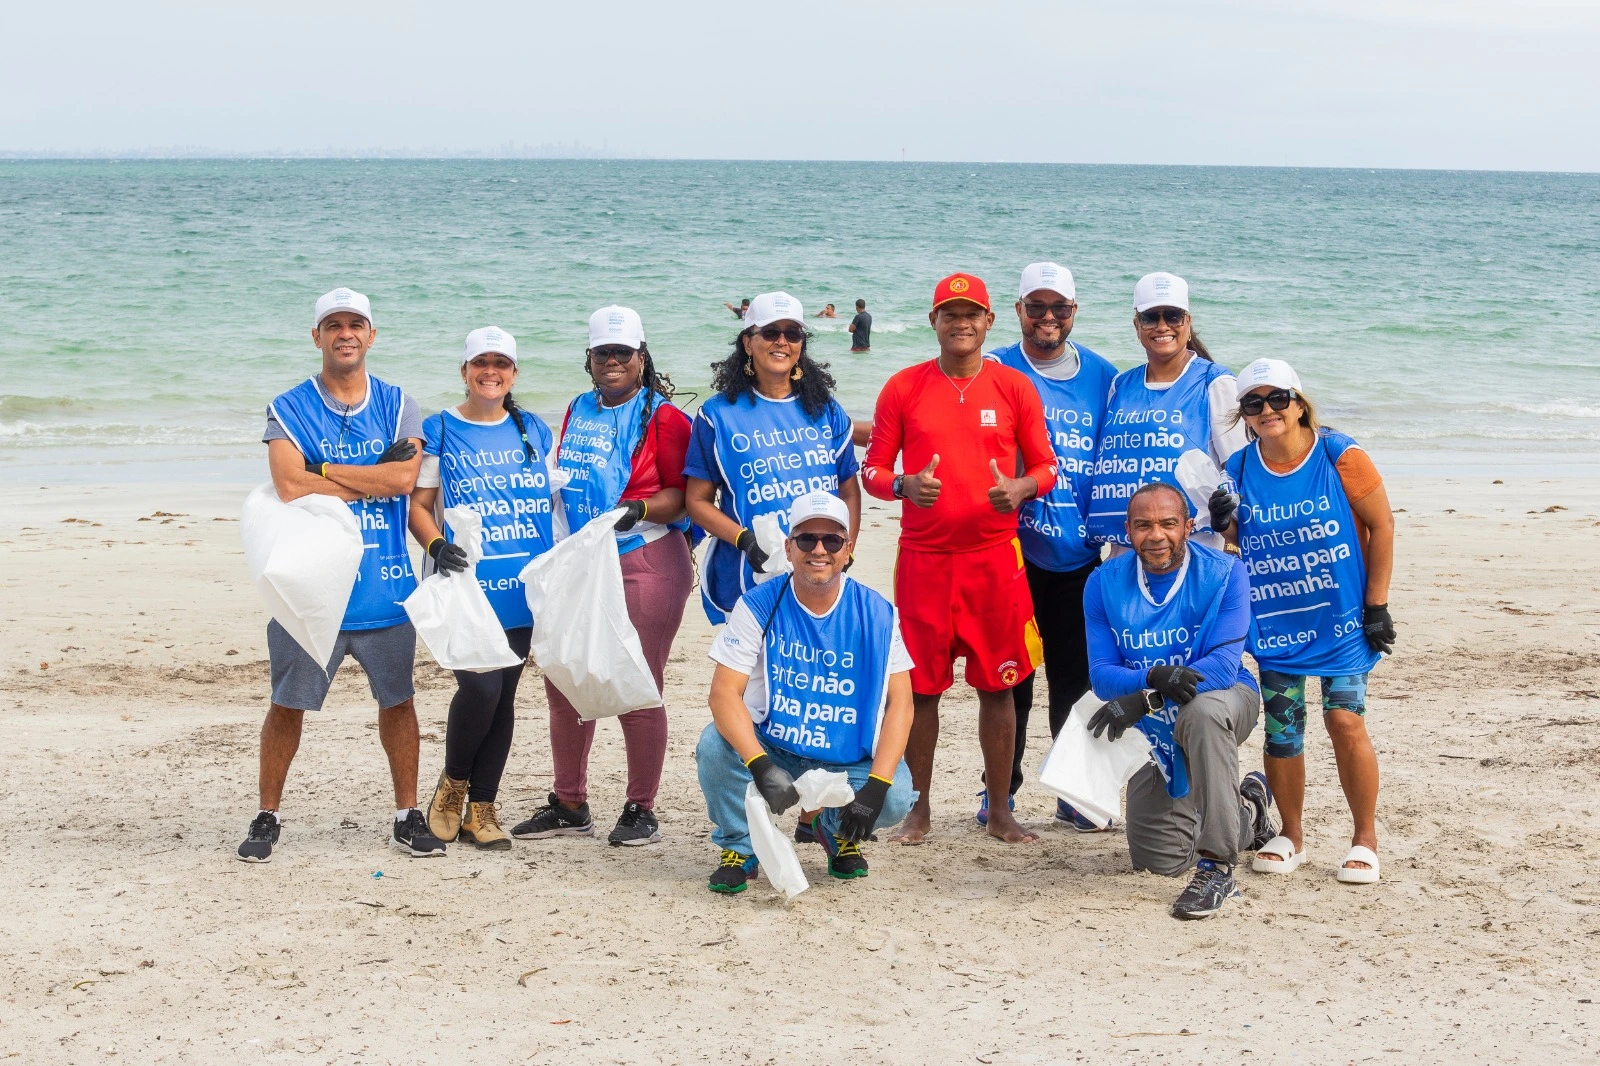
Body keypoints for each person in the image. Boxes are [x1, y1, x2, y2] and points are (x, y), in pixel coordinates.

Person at [238, 287, 443, 862]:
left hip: (386, 585)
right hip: (308, 591)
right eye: (334, 325)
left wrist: (322, 466)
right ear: (317, 336)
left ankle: (407, 815)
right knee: (287, 705)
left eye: (356, 324)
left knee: (398, 703)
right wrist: (369, 472)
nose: (346, 333)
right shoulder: (289, 405)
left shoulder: (400, 403)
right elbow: (287, 485)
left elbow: (403, 482)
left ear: (371, 335)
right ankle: (266, 814)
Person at [861, 272, 1058, 845]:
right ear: (935, 322)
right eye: (951, 313)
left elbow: (1047, 466)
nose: (962, 322)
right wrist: (903, 486)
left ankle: (999, 809)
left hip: (995, 559)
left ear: (990, 321)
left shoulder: (1015, 387)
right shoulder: (903, 386)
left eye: (972, 313)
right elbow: (872, 471)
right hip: (923, 560)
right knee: (921, 689)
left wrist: (1021, 489)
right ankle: (919, 811)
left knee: (999, 687)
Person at [510, 305, 694, 847]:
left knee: (636, 682)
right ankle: (569, 803)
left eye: (623, 353)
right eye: (602, 353)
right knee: (565, 677)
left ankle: (641, 809)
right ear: (588, 359)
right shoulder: (577, 409)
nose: (612, 361)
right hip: (580, 559)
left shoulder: (665, 417)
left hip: (646, 557)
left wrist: (637, 510)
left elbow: (686, 496)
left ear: (642, 358)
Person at [1216, 359, 1396, 884]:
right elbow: (1230, 545)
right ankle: (1290, 834)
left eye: (1278, 399)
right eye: (1254, 402)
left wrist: (1377, 604)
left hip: (1341, 618)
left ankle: (1365, 837)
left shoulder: (1340, 454)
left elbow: (1381, 525)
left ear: (1298, 402)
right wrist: (1222, 521)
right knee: (1282, 730)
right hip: (1277, 621)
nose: (1268, 410)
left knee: (1345, 720)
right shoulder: (1241, 470)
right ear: (1244, 414)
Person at [695, 491, 917, 892]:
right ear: (788, 547)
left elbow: (901, 701)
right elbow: (723, 694)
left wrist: (877, 787)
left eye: (832, 541)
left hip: (845, 754)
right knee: (714, 745)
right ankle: (739, 846)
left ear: (848, 550)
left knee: (899, 794)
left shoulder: (879, 612)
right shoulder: (758, 605)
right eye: (806, 539)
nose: (819, 550)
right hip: (775, 744)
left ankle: (832, 829)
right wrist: (760, 764)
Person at [1081, 482, 1277, 919]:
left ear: (1189, 526)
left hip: (1225, 699)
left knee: (1201, 715)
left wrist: (1145, 696)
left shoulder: (1226, 572)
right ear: (1127, 531)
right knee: (1159, 861)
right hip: (1153, 722)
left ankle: (1218, 867)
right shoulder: (1102, 583)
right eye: (1144, 525)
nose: (1157, 536)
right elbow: (1102, 675)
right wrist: (1151, 676)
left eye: (1169, 523)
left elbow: (1224, 668)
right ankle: (1249, 807)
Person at [410, 326, 563, 850]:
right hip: (468, 587)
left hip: (522, 587)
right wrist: (435, 546)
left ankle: (484, 808)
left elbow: (553, 503)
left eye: (501, 364)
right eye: (481, 363)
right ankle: (452, 787)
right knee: (480, 688)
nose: (490, 372)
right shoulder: (441, 428)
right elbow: (417, 504)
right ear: (464, 371)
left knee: (505, 699)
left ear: (514, 373)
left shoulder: (532, 429)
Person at [981, 262, 1117, 832]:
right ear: (1017, 311)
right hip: (1011, 552)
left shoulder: (1105, 376)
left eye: (1058, 307)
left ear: (1074, 312)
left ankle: (1074, 793)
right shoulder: (993, 369)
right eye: (1035, 306)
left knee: (1076, 680)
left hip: (1081, 556)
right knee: (1011, 678)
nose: (1047, 317)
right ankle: (1000, 794)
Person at [685, 290, 862, 626]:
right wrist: (744, 539)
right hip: (745, 575)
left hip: (818, 566)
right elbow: (697, 501)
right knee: (748, 678)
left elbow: (849, 490)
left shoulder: (826, 411)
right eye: (770, 332)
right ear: (748, 343)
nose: (782, 342)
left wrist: (846, 549)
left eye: (793, 333)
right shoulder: (717, 415)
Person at [1086, 272, 1247, 551]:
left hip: (1194, 548)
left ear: (1187, 321)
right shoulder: (1120, 385)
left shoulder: (1216, 383)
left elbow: (1241, 468)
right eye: (1150, 317)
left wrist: (1230, 521)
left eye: (1172, 316)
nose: (1162, 326)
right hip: (1126, 549)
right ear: (1137, 325)